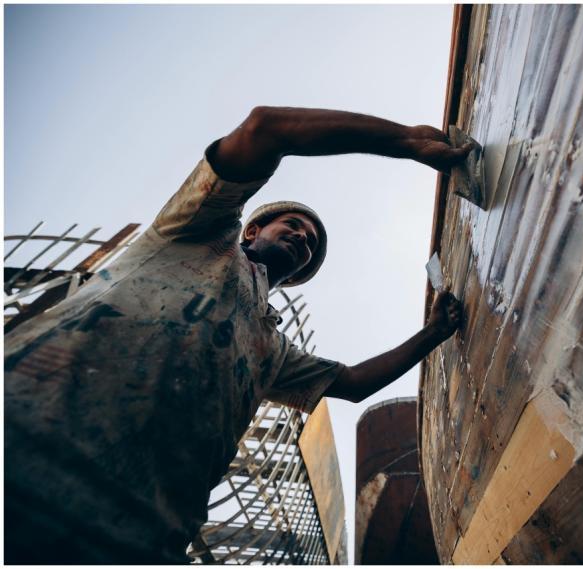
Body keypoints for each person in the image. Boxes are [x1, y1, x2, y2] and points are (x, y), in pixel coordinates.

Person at [4, 106, 471, 564]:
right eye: (294, 226)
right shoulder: (193, 234)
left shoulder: (270, 346)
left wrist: (433, 333)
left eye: (309, 243)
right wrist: (406, 141)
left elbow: (352, 383)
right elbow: (265, 128)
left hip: (139, 538)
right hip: (23, 456)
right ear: (251, 229)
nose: (303, 240)